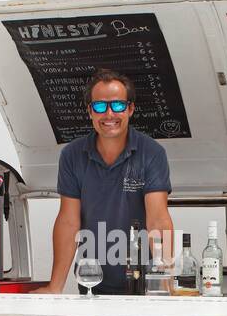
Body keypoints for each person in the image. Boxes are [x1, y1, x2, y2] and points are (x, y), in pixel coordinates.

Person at [33, 69, 173, 294]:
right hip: (92, 281)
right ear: (90, 111)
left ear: (130, 109)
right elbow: (69, 222)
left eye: (117, 106)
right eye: (100, 106)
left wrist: (165, 283)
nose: (109, 114)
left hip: (144, 284)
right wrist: (54, 287)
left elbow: (158, 220)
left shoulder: (152, 153)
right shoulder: (72, 155)